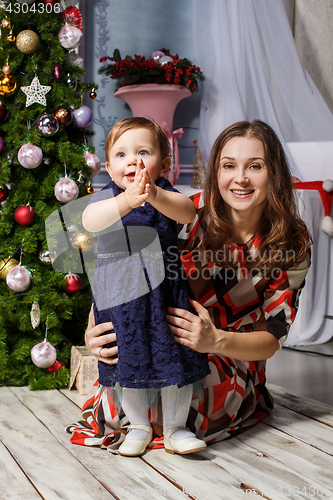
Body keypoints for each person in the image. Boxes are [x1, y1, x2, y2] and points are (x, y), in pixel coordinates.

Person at [67, 120, 311, 450]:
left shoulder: (290, 242)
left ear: (275, 173)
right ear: (216, 172)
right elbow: (119, 265)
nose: (240, 178)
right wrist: (92, 329)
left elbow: (274, 336)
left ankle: (176, 425)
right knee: (122, 403)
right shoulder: (185, 211)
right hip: (157, 334)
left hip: (227, 350)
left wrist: (217, 340)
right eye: (229, 166)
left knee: (194, 399)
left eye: (255, 166)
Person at [79, 117, 210, 457]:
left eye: (143, 152)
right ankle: (137, 424)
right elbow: (90, 221)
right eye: (121, 155)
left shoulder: (165, 193)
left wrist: (152, 194)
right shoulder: (106, 198)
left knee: (175, 358)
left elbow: (187, 213)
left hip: (164, 292)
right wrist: (128, 201)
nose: (132, 161)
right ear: (108, 167)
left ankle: (177, 428)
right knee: (128, 357)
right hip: (122, 297)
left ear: (163, 163)